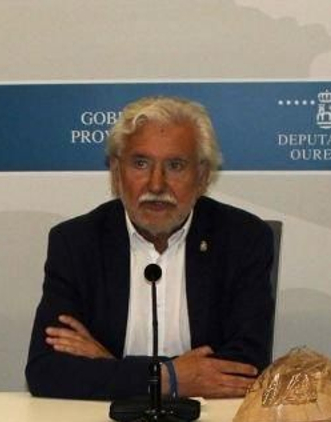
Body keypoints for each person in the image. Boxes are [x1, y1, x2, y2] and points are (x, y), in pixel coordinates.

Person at [25, 96, 276, 401]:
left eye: (175, 165)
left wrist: (110, 365)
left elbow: (243, 368)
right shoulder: (77, 242)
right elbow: (46, 372)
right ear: (117, 173)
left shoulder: (243, 239)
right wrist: (170, 378)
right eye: (140, 164)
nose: (156, 185)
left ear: (202, 176)